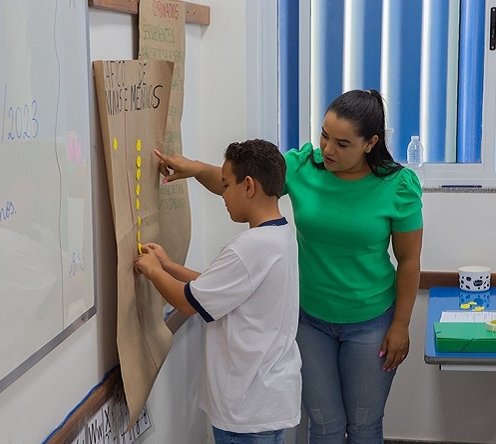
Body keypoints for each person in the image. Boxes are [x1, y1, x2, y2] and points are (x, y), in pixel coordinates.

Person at [153, 89, 423, 443]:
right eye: (324, 135)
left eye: (342, 143)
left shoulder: (397, 186)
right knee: (323, 424)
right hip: (310, 320)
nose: (327, 149)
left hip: (371, 321)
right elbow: (241, 183)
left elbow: (409, 261)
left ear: (370, 143)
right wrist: (193, 169)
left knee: (363, 425)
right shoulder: (302, 166)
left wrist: (401, 324)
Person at [134, 139, 301, 444]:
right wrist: (169, 266)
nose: (222, 195)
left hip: (245, 411)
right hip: (267, 401)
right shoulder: (280, 236)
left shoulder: (250, 247)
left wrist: (153, 271)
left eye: (226, 185)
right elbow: (216, 288)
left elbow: (189, 302)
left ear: (248, 186)